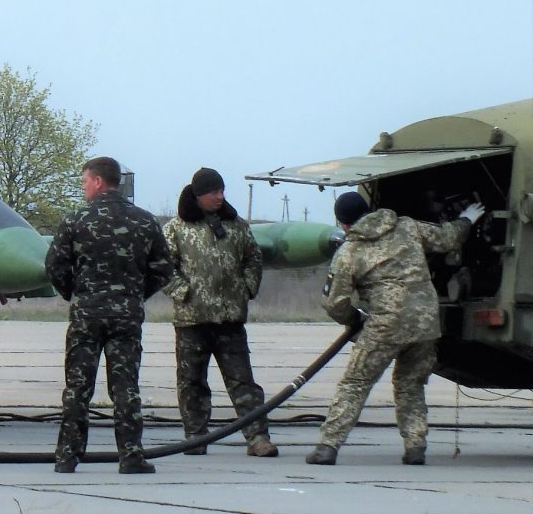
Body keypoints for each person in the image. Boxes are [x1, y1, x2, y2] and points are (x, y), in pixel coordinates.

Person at [306, 191, 485, 466]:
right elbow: (447, 238)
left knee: (355, 384)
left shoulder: (349, 252)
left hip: (385, 326)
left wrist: (354, 319)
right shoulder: (406, 226)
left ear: (343, 224)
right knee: (410, 384)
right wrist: (466, 220)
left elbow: (334, 303)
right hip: (426, 322)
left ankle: (328, 446)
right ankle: (415, 447)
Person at [45, 156, 174, 475]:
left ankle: (67, 456)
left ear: (98, 181)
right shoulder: (145, 221)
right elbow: (163, 269)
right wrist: (133, 294)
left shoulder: (76, 219)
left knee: (78, 387)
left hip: (87, 315)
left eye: (85, 182)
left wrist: (76, 293)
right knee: (126, 387)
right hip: (126, 316)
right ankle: (131, 455)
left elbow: (54, 266)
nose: (84, 187)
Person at [162, 167, 278, 457]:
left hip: (230, 319)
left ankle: (257, 437)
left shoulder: (236, 225)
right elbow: (163, 266)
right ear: (199, 195)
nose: (219, 196)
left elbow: (253, 258)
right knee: (192, 383)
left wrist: (247, 289)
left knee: (243, 382)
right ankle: (195, 437)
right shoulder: (176, 228)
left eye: (221, 190)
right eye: (213, 191)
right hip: (192, 320)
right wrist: (183, 292)